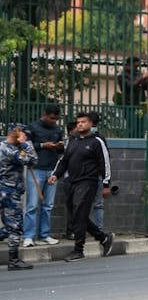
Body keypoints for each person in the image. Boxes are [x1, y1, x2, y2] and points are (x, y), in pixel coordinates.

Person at [47, 112, 115, 262]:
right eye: (78, 122)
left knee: (79, 213)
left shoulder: (97, 141)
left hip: (88, 182)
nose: (80, 124)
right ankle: (103, 238)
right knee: (78, 215)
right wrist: (55, 175)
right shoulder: (73, 140)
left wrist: (106, 184)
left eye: (83, 122)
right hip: (72, 181)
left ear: (91, 124)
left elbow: (105, 163)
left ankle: (79, 250)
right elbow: (64, 160)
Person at [21, 104, 64, 247]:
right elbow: (24, 144)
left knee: (48, 205)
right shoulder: (32, 127)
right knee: (32, 204)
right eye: (52, 118)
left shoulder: (58, 129)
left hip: (52, 170)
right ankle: (28, 236)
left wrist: (59, 146)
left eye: (56, 119)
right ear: (44, 115)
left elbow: (61, 150)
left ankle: (44, 235)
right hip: (36, 170)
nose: (54, 121)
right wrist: (42, 145)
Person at [2, 125, 36, 270]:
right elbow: (32, 160)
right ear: (16, 134)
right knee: (15, 226)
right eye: (24, 135)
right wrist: (25, 143)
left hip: (4, 192)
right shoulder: (11, 151)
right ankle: (13, 260)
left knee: (9, 226)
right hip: (9, 192)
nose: (26, 137)